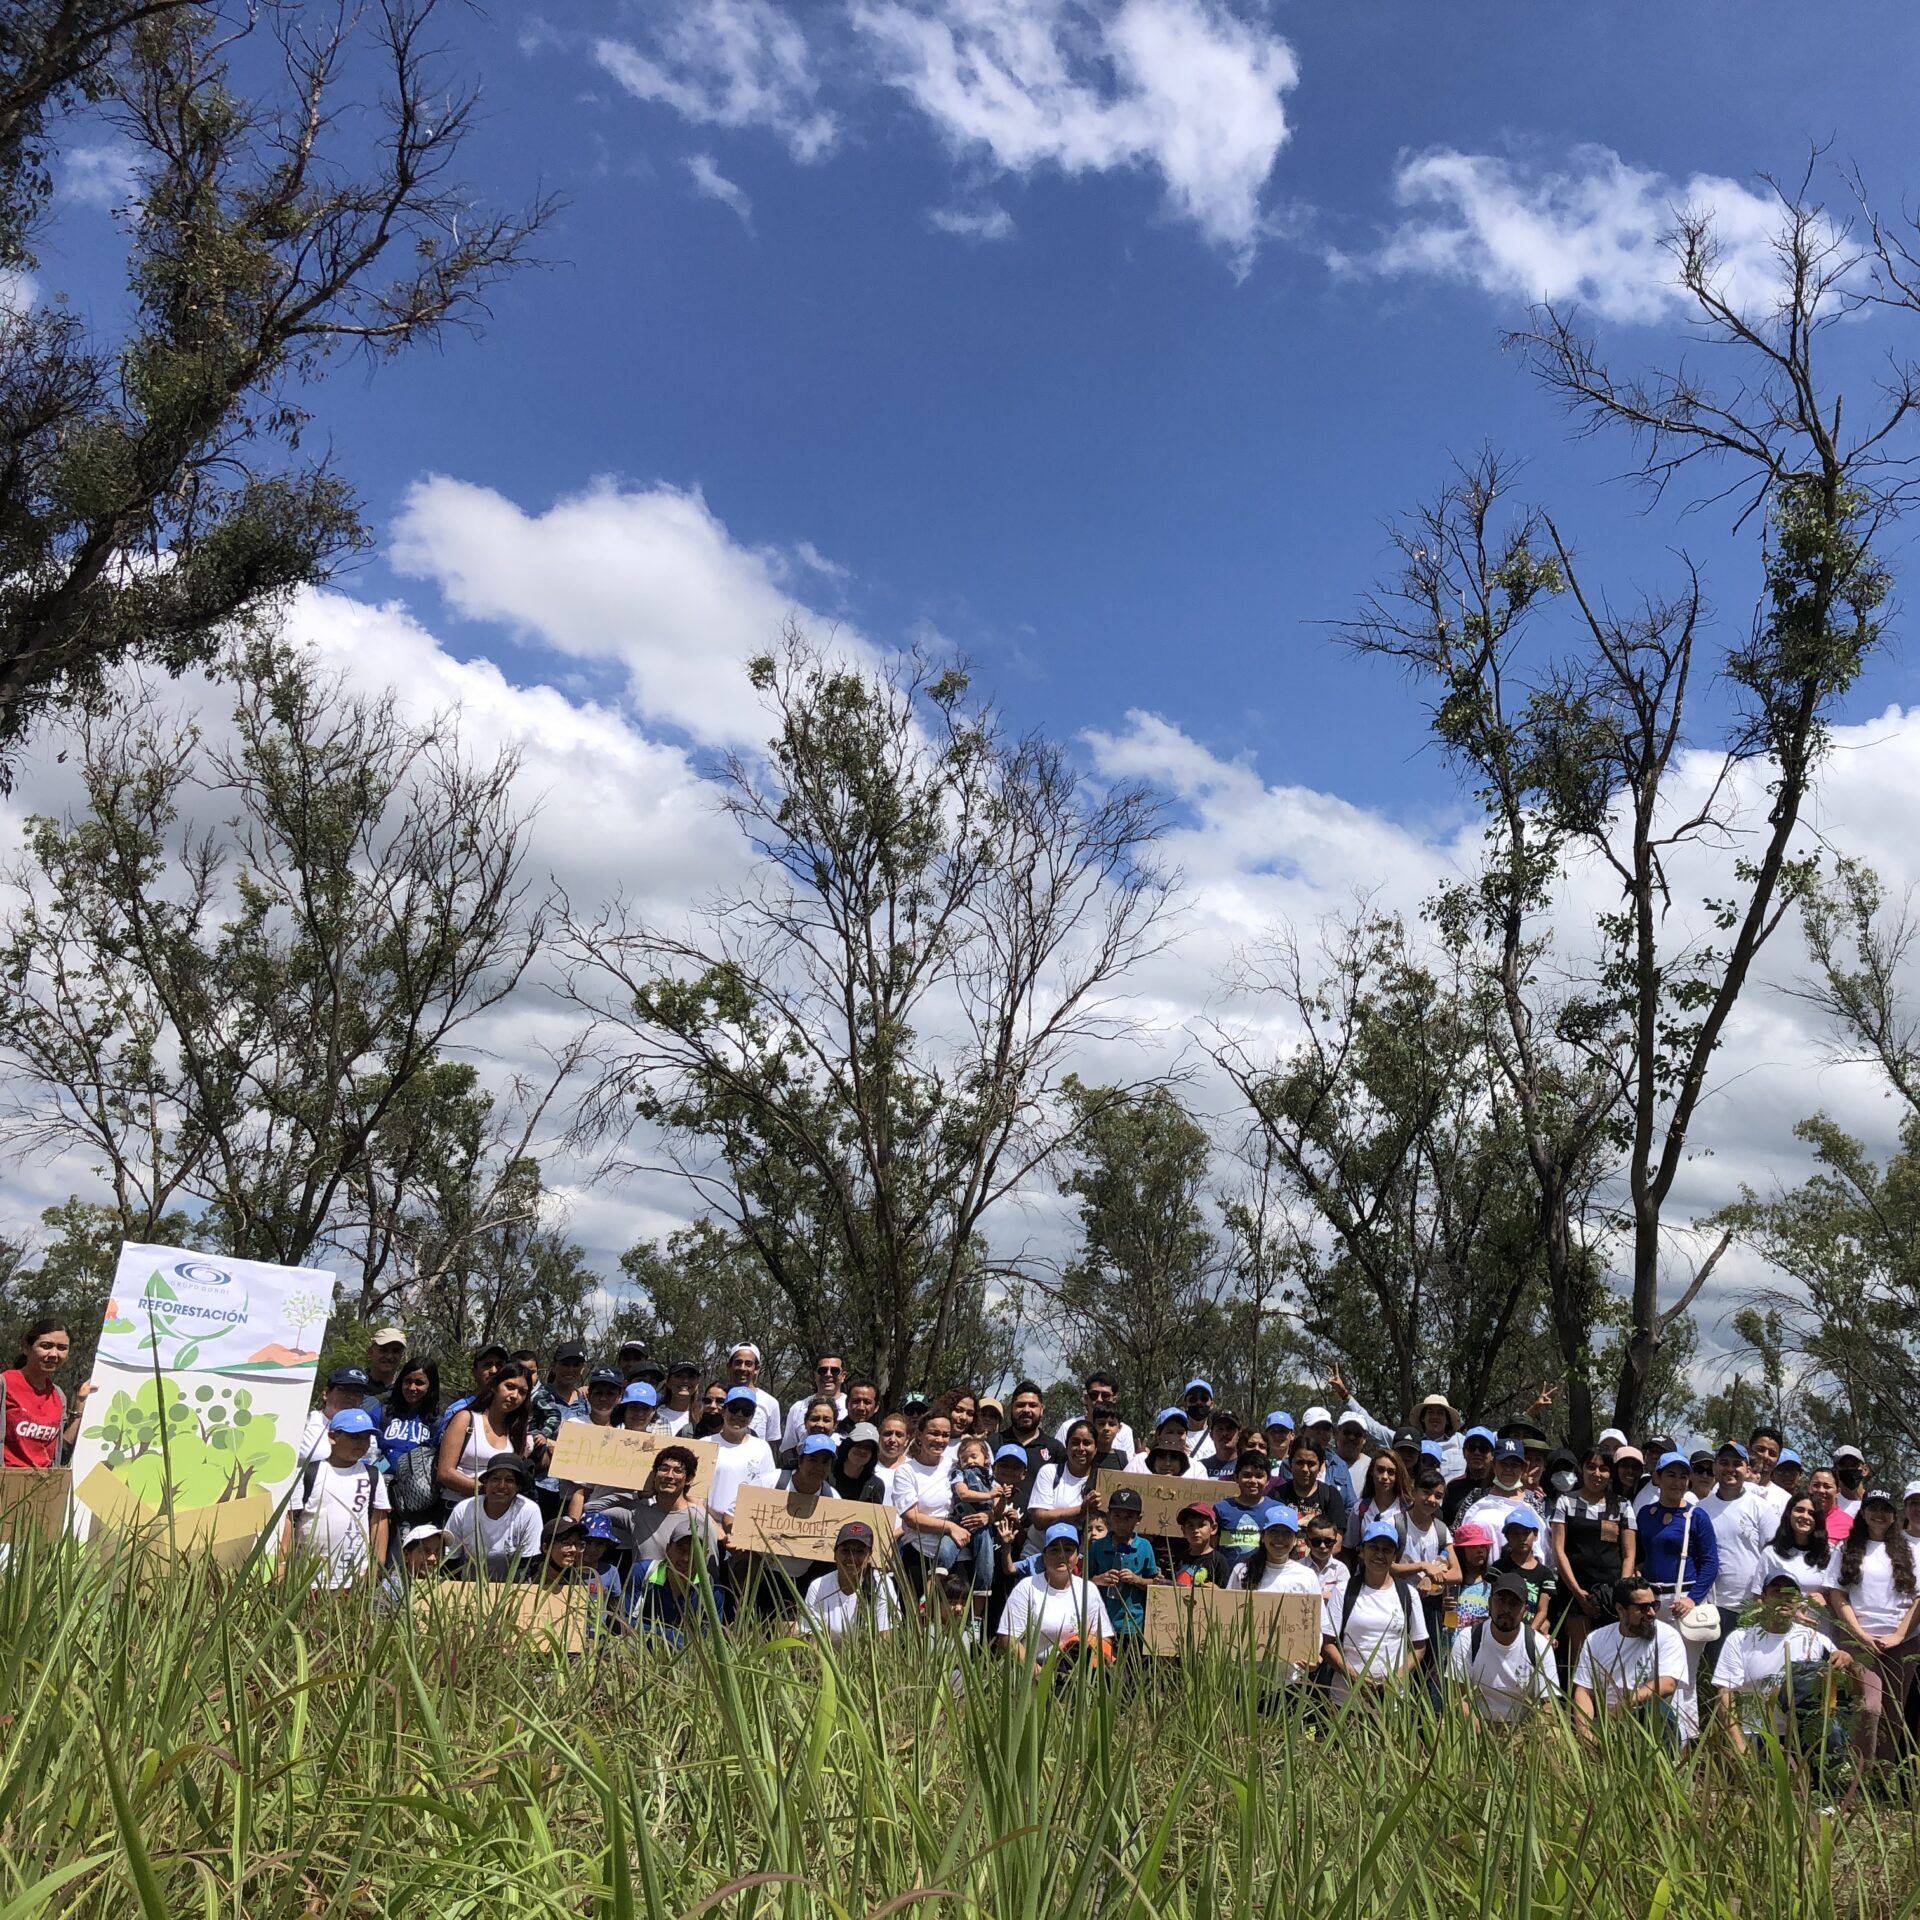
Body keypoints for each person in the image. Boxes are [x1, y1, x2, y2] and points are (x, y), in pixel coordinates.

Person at [1715, 1570, 1854, 1770]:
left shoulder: (1815, 1639)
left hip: (1803, 1734)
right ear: (1762, 1599)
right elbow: (1725, 1693)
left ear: (1799, 1601)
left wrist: (1847, 1663)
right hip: (1756, 1733)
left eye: (1790, 1593)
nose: (1784, 1599)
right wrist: (1739, 1745)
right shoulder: (1740, 1639)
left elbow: (1849, 1690)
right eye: (1776, 1592)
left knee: (1831, 1731)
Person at [1825, 1488, 1920, 1768]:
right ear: (1863, 1513)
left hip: (1901, 1643)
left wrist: (1899, 1635)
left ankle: (1882, 1779)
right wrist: (1860, 1634)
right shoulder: (1846, 1549)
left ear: (1894, 1515)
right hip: (1859, 1641)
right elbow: (1837, 1595)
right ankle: (1857, 1775)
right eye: (1873, 1508)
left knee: (1893, 1714)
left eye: (1885, 1509)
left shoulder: (1910, 1550)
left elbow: (1918, 1599)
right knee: (1868, 1707)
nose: (1879, 1514)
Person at [1637, 1449, 1718, 1735]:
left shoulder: (1697, 1516)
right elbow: (1641, 1555)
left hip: (1683, 1603)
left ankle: (1682, 1743)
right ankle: (1651, 1735)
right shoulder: (1646, 1515)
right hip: (1652, 1603)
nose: (1678, 1481)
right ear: (1657, 1478)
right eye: (1670, 1475)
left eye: (1683, 1475)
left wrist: (1691, 1598)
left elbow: (1710, 1564)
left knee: (1684, 1677)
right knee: (1651, 1673)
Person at [1549, 1446, 1635, 1672]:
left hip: (1611, 1595)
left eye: (1604, 1469)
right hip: (1575, 1594)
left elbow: (1629, 1554)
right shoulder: (1565, 1502)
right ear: (1582, 1469)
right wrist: (1578, 1593)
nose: (1597, 1474)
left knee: (1612, 1663)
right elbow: (1559, 1551)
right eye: (1591, 1467)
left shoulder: (1623, 1505)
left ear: (1611, 1473)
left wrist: (1622, 1593)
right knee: (1581, 1662)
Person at [1321, 1521, 1427, 1704]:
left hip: (1391, 1700)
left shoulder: (1408, 1594)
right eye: (1373, 1547)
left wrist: (1395, 1679)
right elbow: (1328, 1642)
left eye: (1387, 1550)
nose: (1379, 1555)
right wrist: (1353, 1677)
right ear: (1362, 1551)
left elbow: (1419, 1647)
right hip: (1346, 1699)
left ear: (1395, 1556)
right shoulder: (1343, 1591)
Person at [1571, 1576, 1686, 1744]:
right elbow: (1583, 1690)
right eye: (1643, 1608)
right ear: (1621, 1609)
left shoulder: (1668, 1636)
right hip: (1611, 1726)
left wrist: (1624, 1705)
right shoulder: (1596, 1639)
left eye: (1654, 1605)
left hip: (1654, 1725)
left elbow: (1667, 1683)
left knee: (1657, 1711)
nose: (1652, 1613)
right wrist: (1585, 1732)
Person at [285, 1408, 390, 1587]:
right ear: (333, 1437)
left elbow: (378, 1522)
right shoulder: (309, 1473)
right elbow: (289, 1518)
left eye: (366, 1437)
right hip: (307, 1577)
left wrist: (376, 1566)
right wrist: (282, 1562)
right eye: (354, 1437)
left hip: (353, 1578)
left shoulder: (373, 1475)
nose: (361, 1443)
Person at [994, 1523, 1115, 1674]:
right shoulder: (1026, 1588)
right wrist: (1039, 1675)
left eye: (1068, 1550)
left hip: (1075, 1673)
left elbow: (1103, 1637)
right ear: (1044, 1556)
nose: (1061, 1555)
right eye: (1054, 1550)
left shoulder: (1088, 1590)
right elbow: (1008, 1638)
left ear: (1077, 1557)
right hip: (1032, 1672)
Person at [1448, 1569, 1560, 1721]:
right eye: (1501, 1600)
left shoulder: (1538, 1645)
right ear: (1489, 1603)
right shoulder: (1468, 1639)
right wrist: (1481, 1734)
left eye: (1514, 1603)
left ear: (1525, 1610)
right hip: (1477, 1724)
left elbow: (1549, 1705)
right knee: (1442, 1728)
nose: (1506, 1609)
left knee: (1555, 1735)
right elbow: (1456, 1697)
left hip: (1522, 1728)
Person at [1702, 1440, 1774, 1655]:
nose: (1730, 1469)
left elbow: (1773, 1556)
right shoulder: (1700, 1509)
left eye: (1737, 1463)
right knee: (1714, 1673)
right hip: (1712, 1607)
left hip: (1752, 1607)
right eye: (1724, 1463)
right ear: (1715, 1467)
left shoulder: (1762, 1508)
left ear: (1747, 1469)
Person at [892, 1409, 970, 1595]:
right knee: (916, 1618)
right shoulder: (906, 1471)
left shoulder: (955, 1465)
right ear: (919, 1435)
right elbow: (911, 1518)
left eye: (945, 1435)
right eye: (934, 1433)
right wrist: (950, 1527)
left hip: (957, 1554)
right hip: (920, 1555)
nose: (940, 1440)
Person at [435, 1362, 533, 1505]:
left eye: (522, 1392)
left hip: (496, 1514)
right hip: (457, 1508)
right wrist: (486, 1490)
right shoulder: (466, 1419)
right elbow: (445, 1473)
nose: (514, 1396)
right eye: (509, 1387)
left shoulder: (515, 1432)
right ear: (494, 1387)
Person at [1, 1318, 90, 1468]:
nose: (54, 1354)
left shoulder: (58, 1396)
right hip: (7, 1483)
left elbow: (61, 1454)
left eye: (62, 1348)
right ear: (26, 1347)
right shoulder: (4, 1385)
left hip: (43, 1486)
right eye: (46, 1346)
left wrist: (79, 1403)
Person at [633, 1512, 732, 1643]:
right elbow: (623, 1622)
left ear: (705, 1555)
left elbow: (709, 1637)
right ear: (668, 1548)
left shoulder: (712, 1589)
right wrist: (667, 1635)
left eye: (695, 1552)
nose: (686, 1559)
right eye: (681, 1550)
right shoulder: (643, 1572)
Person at [445, 1454, 543, 1582]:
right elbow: (451, 1560)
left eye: (509, 1480)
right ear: (485, 1484)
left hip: (511, 1588)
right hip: (468, 1586)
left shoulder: (529, 1511)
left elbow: (527, 1564)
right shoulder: (464, 1509)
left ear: (518, 1487)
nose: (502, 1486)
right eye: (495, 1479)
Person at [799, 1520, 899, 1643]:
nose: (852, 1557)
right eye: (845, 1550)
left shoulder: (882, 1585)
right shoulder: (818, 1586)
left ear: (869, 1556)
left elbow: (886, 1639)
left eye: (859, 1551)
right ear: (835, 1554)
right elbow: (813, 1640)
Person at [1087, 1485, 1159, 1643]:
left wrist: (1137, 1580)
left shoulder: (1144, 1546)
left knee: (1128, 1666)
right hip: (1101, 1622)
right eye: (1117, 1516)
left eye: (1128, 1517)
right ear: (1109, 1516)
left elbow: (1155, 1584)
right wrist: (1099, 1579)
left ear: (1138, 1520)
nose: (1121, 1522)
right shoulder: (1097, 1546)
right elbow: (1082, 1581)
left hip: (1132, 1623)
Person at [707, 1387, 778, 1547]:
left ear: (752, 1416)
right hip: (709, 1529)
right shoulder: (705, 1444)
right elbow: (694, 1496)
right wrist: (718, 1532)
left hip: (747, 1534)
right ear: (723, 1410)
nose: (739, 1414)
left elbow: (768, 1493)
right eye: (734, 1408)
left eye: (746, 1411)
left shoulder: (762, 1448)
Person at [628, 1445, 714, 1565]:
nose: (669, 1476)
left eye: (678, 1471)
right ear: (654, 1474)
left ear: (689, 1479)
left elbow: (710, 1567)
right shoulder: (638, 1514)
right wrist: (638, 1495)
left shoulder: (699, 1518)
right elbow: (594, 1509)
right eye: (664, 1469)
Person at [1024, 1420, 1100, 1553]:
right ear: (1066, 1446)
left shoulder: (1102, 1480)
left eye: (1087, 1443)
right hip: (1038, 1553)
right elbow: (1039, 1520)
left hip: (1077, 1561)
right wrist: (1081, 1509)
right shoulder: (1050, 1472)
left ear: (1096, 1448)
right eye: (1075, 1443)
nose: (1081, 1448)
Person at [1227, 1504, 1320, 1595]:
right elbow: (1228, 1608)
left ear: (1295, 1540)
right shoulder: (1242, 1571)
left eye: (1287, 1533)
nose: (1280, 1538)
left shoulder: (1307, 1576)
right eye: (1273, 1531)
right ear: (1263, 1537)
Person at [1758, 1490, 1833, 1602]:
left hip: (1820, 1619)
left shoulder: (1830, 1554)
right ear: (1789, 1513)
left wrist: (1826, 1599)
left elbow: (1839, 1596)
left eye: (1811, 1513)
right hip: (1783, 1619)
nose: (1805, 1516)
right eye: (1799, 1510)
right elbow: (1758, 1598)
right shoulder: (1771, 1553)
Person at [1491, 1510, 1556, 1634]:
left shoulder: (1545, 1574)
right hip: (1500, 1628)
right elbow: (1491, 1600)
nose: (1521, 1538)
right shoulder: (1498, 1568)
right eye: (1515, 1534)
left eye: (1526, 1533)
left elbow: (1542, 1611)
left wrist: (1528, 1634)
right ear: (1507, 1537)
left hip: (1529, 1630)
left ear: (1535, 1534)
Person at [299, 1367, 376, 1465]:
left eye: (357, 1392)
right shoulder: (306, 1423)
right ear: (326, 1393)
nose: (351, 1396)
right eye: (344, 1390)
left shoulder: (367, 1432)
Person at [1344, 1449, 1412, 1552]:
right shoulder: (1360, 1509)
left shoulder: (1408, 1509)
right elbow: (1349, 1547)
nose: (1385, 1477)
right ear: (1372, 1471)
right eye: (1380, 1470)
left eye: (1391, 1472)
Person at [1055, 1373, 1135, 1458]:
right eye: (1094, 1395)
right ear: (1086, 1398)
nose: (1099, 1400)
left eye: (1105, 1396)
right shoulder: (1068, 1427)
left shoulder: (1125, 1432)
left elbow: (1127, 1468)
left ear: (1114, 1400)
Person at [1284, 1436, 1347, 1541]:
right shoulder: (1277, 1495)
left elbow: (1337, 1542)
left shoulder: (1331, 1495)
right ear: (1291, 1464)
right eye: (1299, 1463)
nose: (1305, 1469)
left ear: (1320, 1466)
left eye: (1311, 1464)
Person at [780, 1353, 848, 1451]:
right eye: (823, 1370)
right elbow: (788, 1450)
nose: (828, 1374)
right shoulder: (798, 1408)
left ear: (843, 1376)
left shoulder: (852, 1407)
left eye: (835, 1370)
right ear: (815, 1375)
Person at [723, 1344, 782, 1444]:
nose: (742, 1368)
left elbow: (772, 1443)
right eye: (738, 1362)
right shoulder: (718, 1397)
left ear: (756, 1368)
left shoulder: (770, 1402)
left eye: (748, 1364)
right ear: (729, 1366)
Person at [1001, 1382, 1062, 1470]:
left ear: (1041, 1410)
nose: (1026, 1410)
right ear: (1011, 1408)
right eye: (1020, 1405)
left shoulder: (1056, 1450)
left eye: (1033, 1405)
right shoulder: (992, 1444)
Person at [1171, 1501, 1231, 1587]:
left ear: (1213, 1528)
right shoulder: (1178, 1559)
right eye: (1190, 1526)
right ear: (1184, 1531)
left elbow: (1226, 1595)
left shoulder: (1218, 1561)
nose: (1195, 1530)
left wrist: (1217, 1591)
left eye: (1201, 1525)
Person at [831, 1424, 890, 1504]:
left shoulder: (876, 1485)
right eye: (858, 1445)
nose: (862, 1450)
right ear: (848, 1446)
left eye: (868, 1448)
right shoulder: (827, 1476)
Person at [362, 1327, 409, 1410]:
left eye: (396, 1351)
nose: (389, 1356)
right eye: (383, 1350)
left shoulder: (407, 1391)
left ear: (402, 1356)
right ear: (370, 1352)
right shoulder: (356, 1385)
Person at [658, 1361, 701, 1435]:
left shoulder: (701, 1417)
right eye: (678, 1376)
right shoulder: (653, 1414)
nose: (685, 1381)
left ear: (697, 1384)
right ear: (668, 1382)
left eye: (691, 1377)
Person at [1832, 1444, 1870, 1521]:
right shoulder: (1830, 1504)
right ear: (1835, 1471)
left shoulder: (1874, 1503)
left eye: (1854, 1465)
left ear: (1865, 1470)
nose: (1849, 1469)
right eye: (1843, 1465)